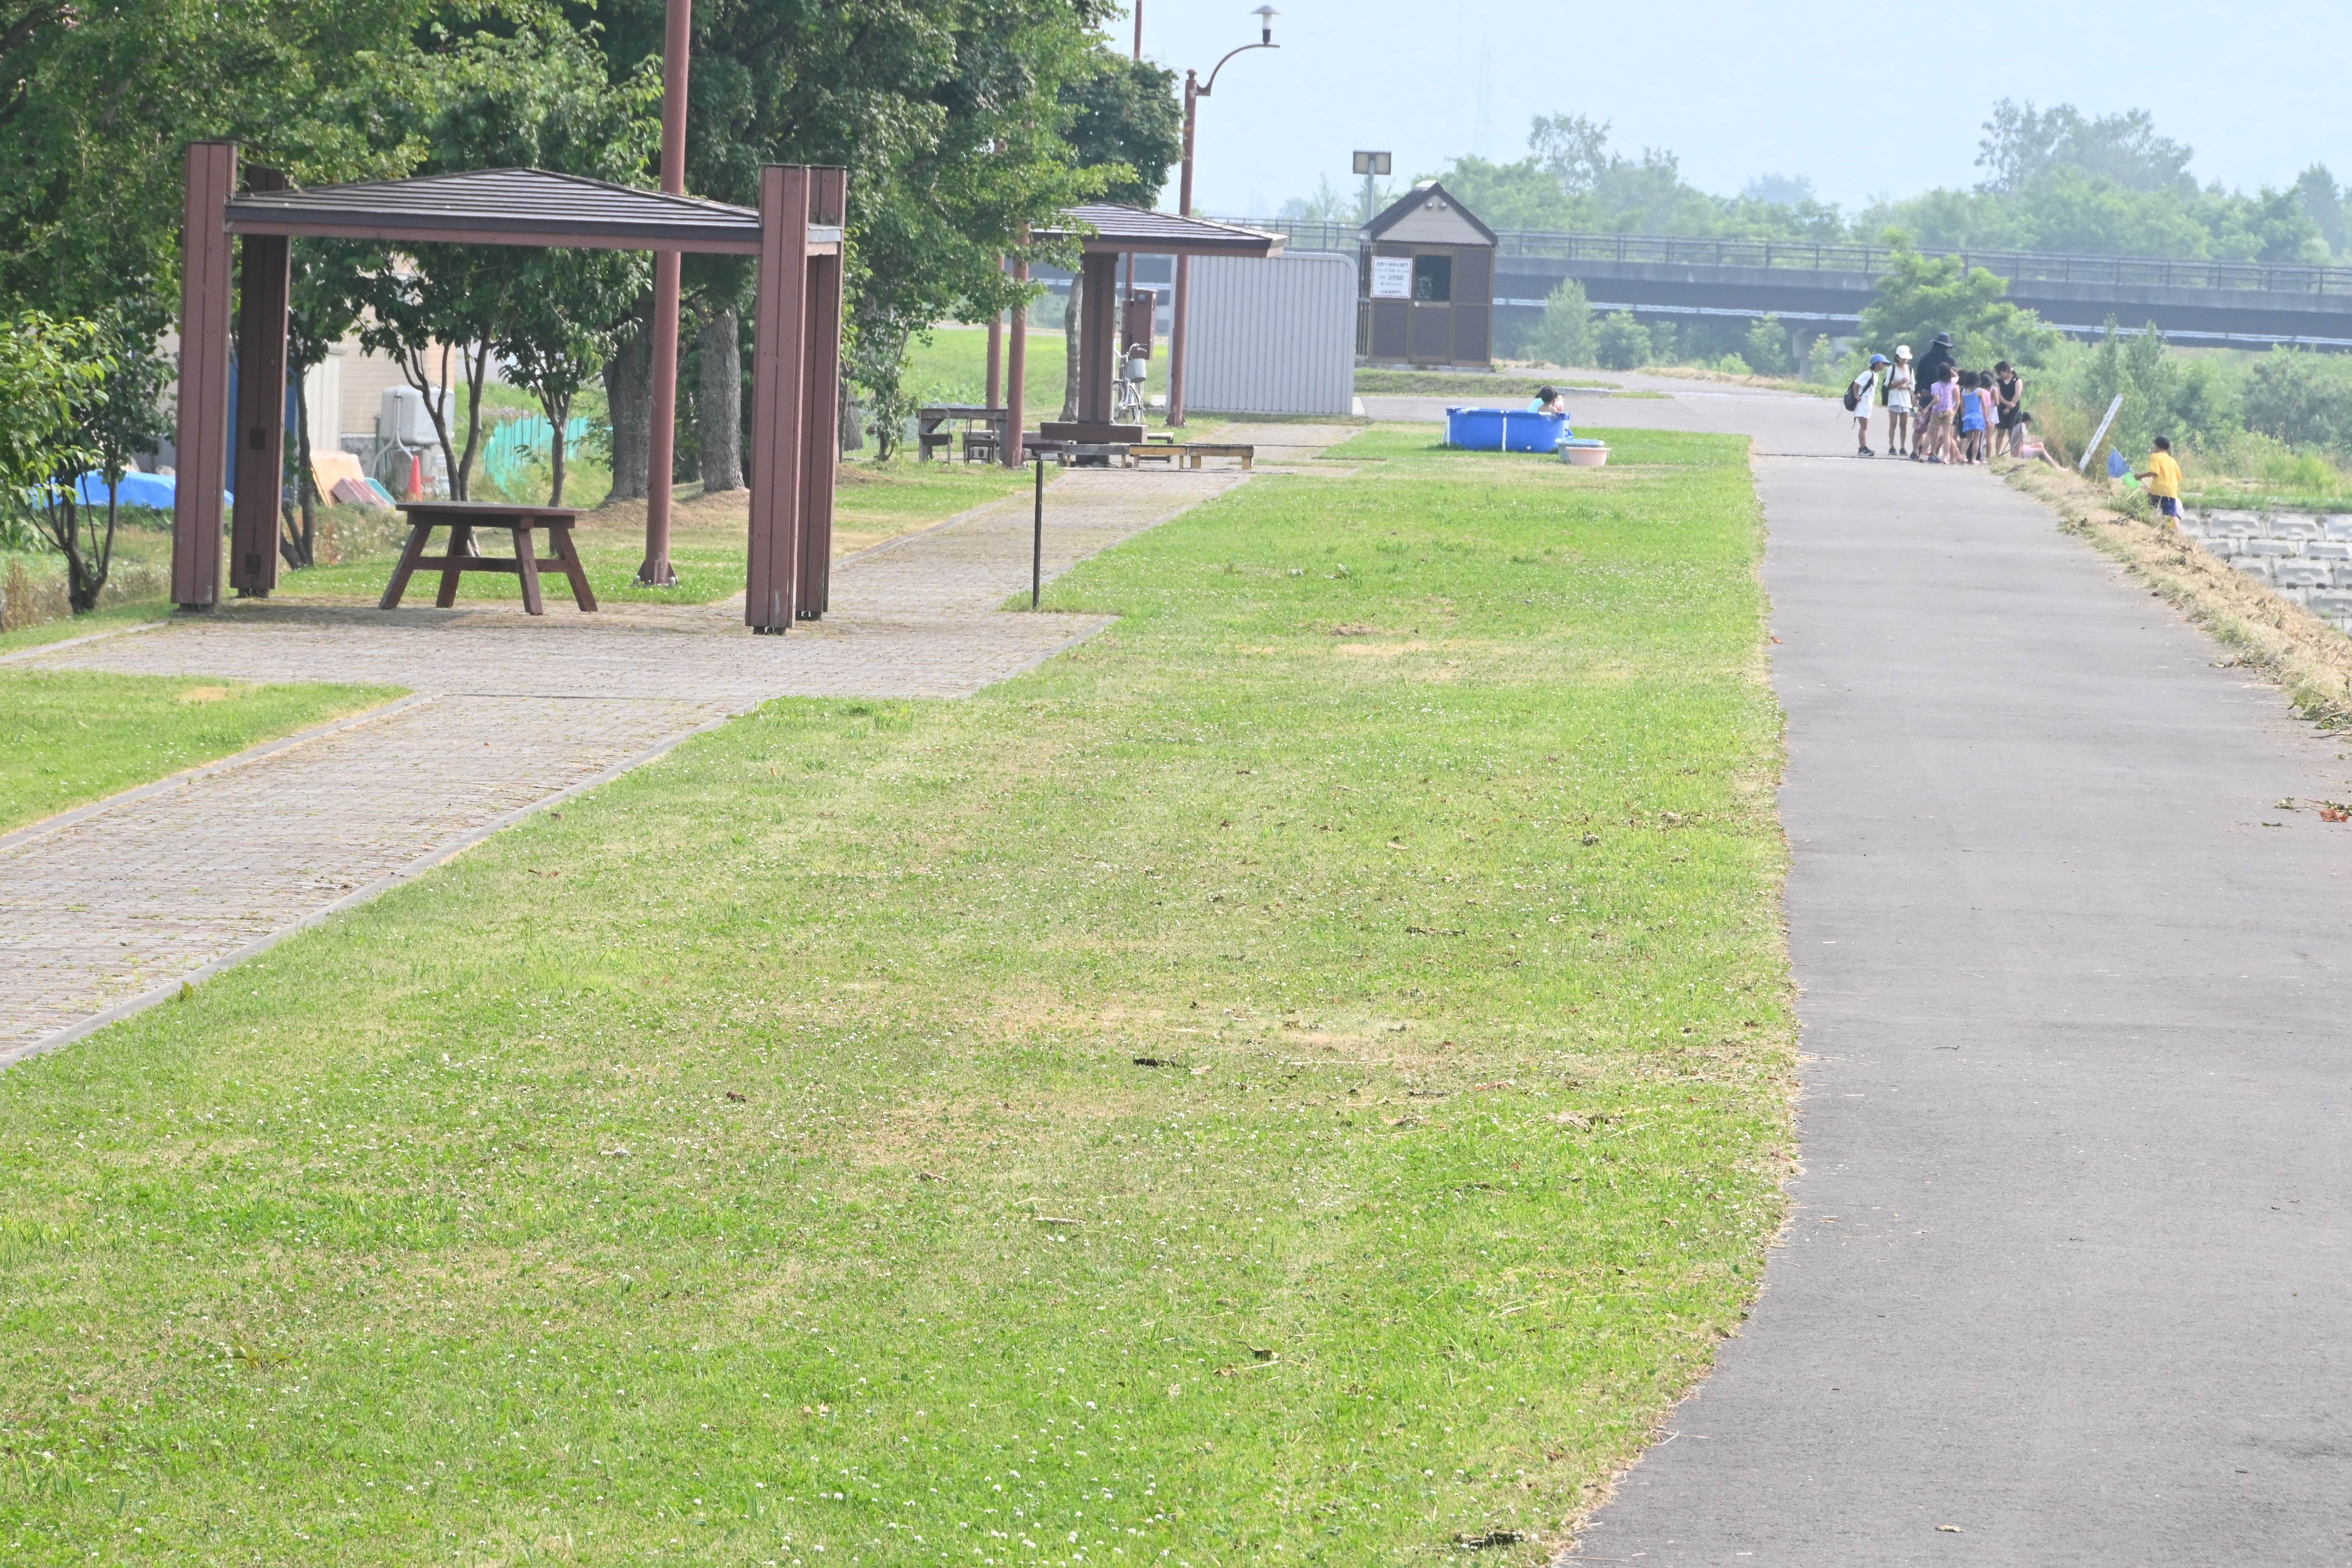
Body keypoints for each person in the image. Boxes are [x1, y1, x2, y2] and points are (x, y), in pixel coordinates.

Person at [2137, 436, 2184, 527]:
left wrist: (2140, 476)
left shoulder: (2155, 457)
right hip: (2171, 492)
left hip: (2158, 490)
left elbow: (2154, 472)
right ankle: (2179, 535)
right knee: (2173, 514)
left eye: (2154, 446)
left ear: (2157, 447)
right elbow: (2178, 477)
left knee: (2152, 510)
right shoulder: (2172, 460)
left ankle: (2156, 527)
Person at [1849, 354, 1888, 457]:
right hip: (1863, 403)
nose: (1884, 366)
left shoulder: (1875, 375)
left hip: (1867, 404)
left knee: (1865, 426)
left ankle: (1864, 447)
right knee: (1864, 427)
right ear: (1877, 363)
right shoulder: (1868, 374)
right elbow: (1856, 383)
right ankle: (1863, 448)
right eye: (1883, 363)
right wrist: (1856, 395)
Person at [1883, 345, 1916, 457]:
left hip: (1906, 400)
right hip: (1894, 399)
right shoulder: (1892, 369)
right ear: (1897, 357)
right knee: (1893, 424)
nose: (1905, 360)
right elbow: (1888, 385)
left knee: (1904, 425)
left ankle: (1903, 447)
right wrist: (1900, 383)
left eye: (1906, 358)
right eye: (1903, 358)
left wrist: (1905, 387)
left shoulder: (1910, 370)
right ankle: (1892, 446)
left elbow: (1913, 386)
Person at [1925, 363, 1959, 463]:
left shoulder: (1935, 385)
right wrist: (1950, 370)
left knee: (1930, 434)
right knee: (1947, 436)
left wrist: (1928, 407)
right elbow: (1957, 376)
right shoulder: (1952, 383)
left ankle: (1923, 455)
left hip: (1937, 411)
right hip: (1948, 411)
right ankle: (1945, 457)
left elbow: (1936, 400)